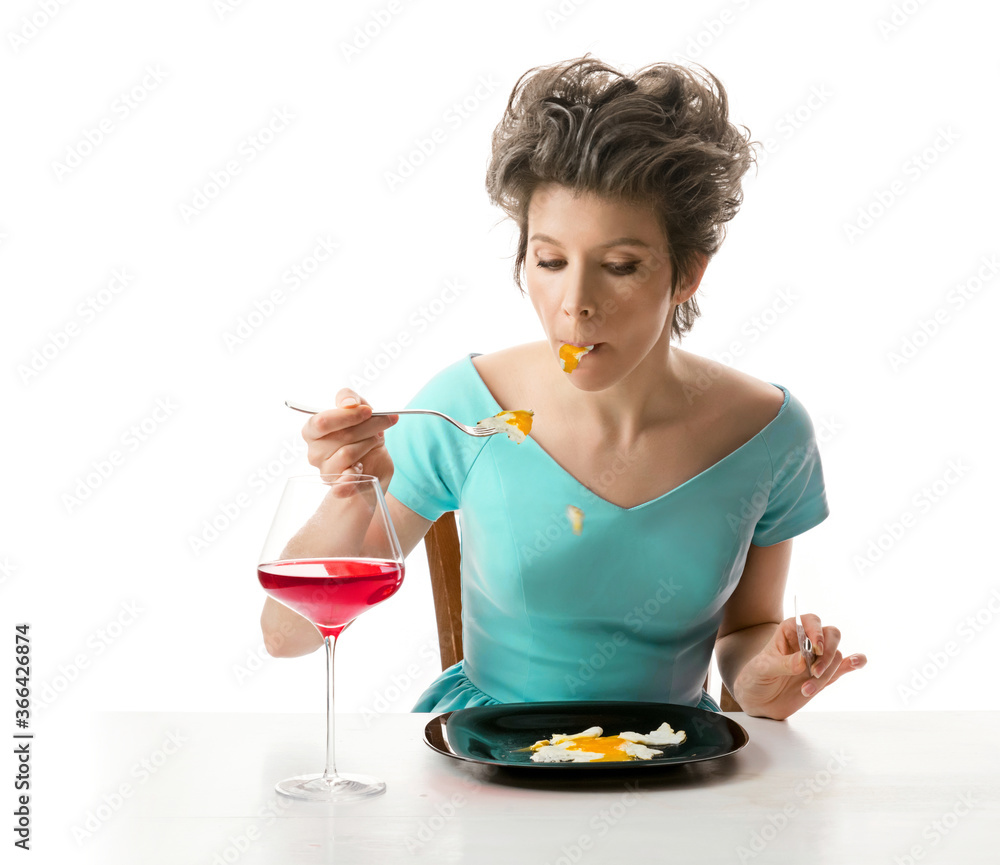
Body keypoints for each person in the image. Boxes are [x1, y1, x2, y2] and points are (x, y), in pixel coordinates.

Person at [261, 54, 866, 720]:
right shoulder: (466, 407)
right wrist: (350, 494)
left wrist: (764, 682)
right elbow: (287, 635)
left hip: (672, 757)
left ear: (689, 272)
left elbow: (748, 631)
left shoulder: (768, 436)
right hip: (487, 753)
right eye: (549, 260)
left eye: (620, 265)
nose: (574, 302)